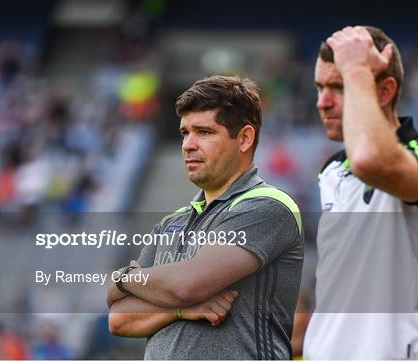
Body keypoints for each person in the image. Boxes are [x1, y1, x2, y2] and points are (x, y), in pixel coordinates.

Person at [107, 75, 304, 359]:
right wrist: (180, 309)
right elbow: (119, 319)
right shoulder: (170, 223)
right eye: (185, 133)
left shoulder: (268, 206)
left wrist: (121, 279)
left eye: (204, 132)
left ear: (245, 138)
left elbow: (188, 285)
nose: (188, 144)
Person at [303, 26, 418, 359]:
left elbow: (370, 160)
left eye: (339, 86)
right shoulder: (332, 170)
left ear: (384, 91)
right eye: (320, 87)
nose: (322, 102)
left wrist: (358, 69)